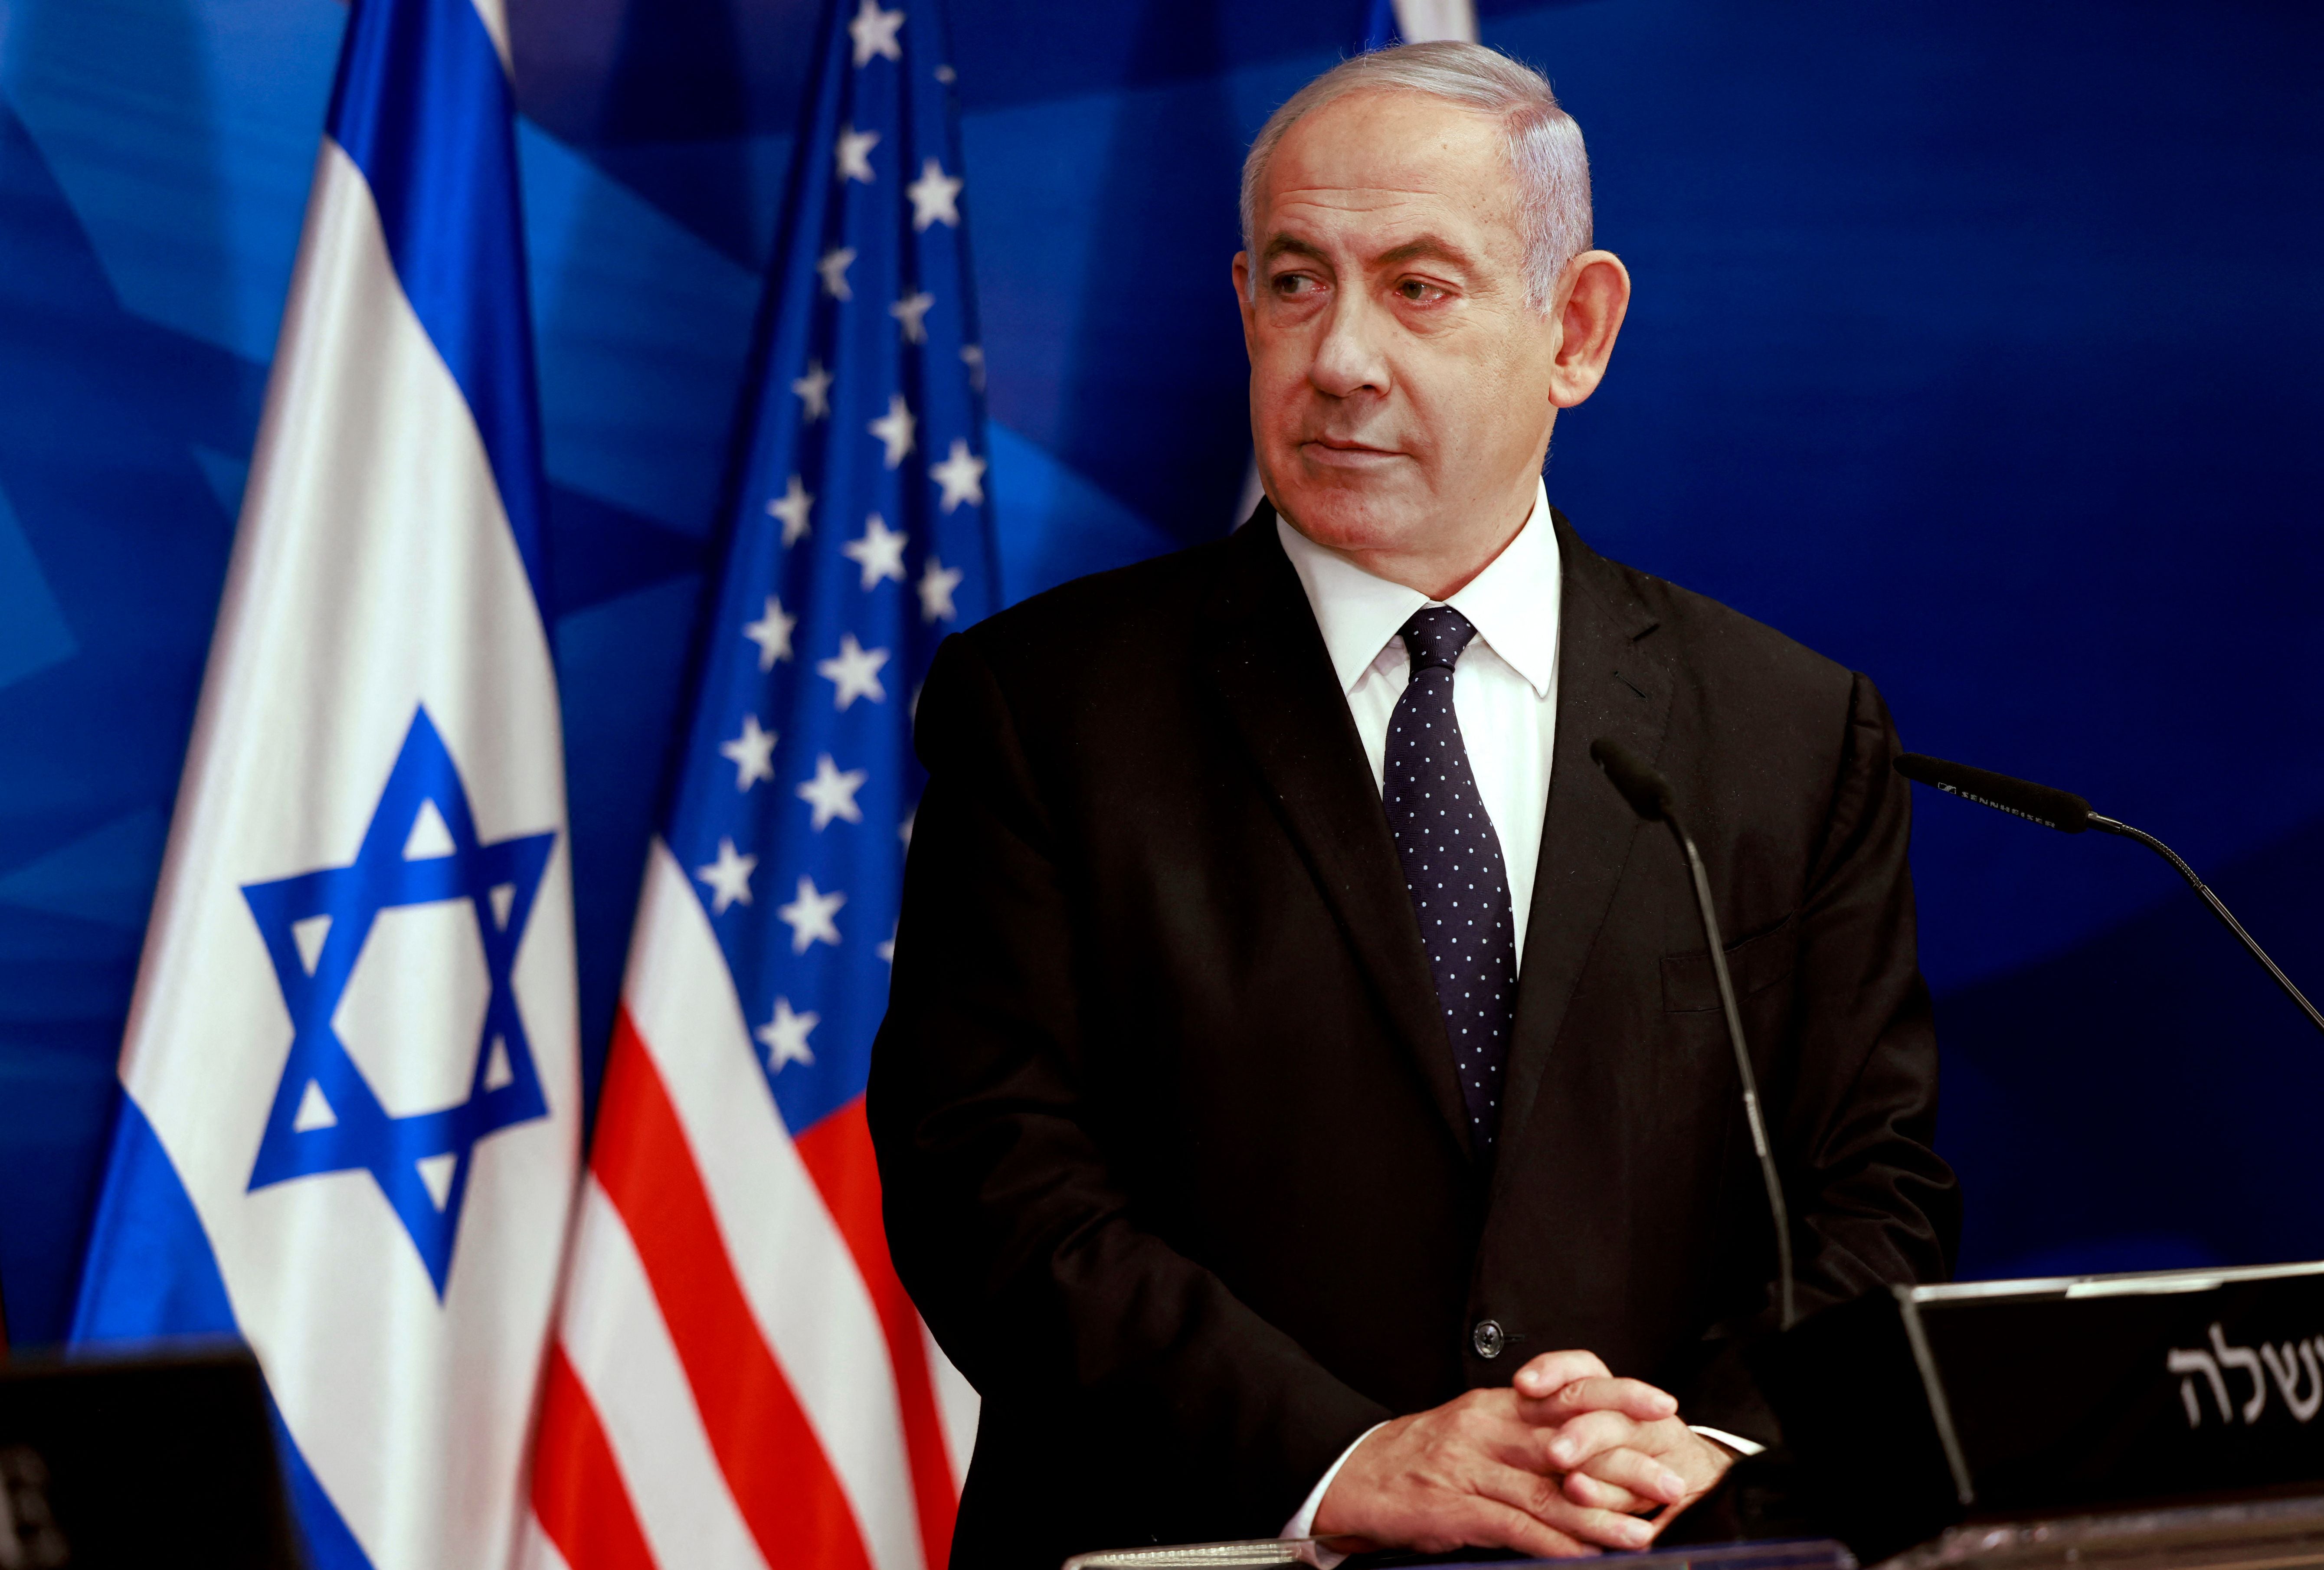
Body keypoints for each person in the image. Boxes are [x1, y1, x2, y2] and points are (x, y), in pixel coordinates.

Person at [870, 40, 1958, 1568]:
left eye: (1420, 288)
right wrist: (1343, 1455)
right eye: (1299, 284)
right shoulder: (1044, 707)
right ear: (1243, 305)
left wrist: (1697, 1450)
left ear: (1574, 329)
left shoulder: (1783, 729)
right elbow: (989, 1175)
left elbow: (1874, 1188)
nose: (1341, 359)